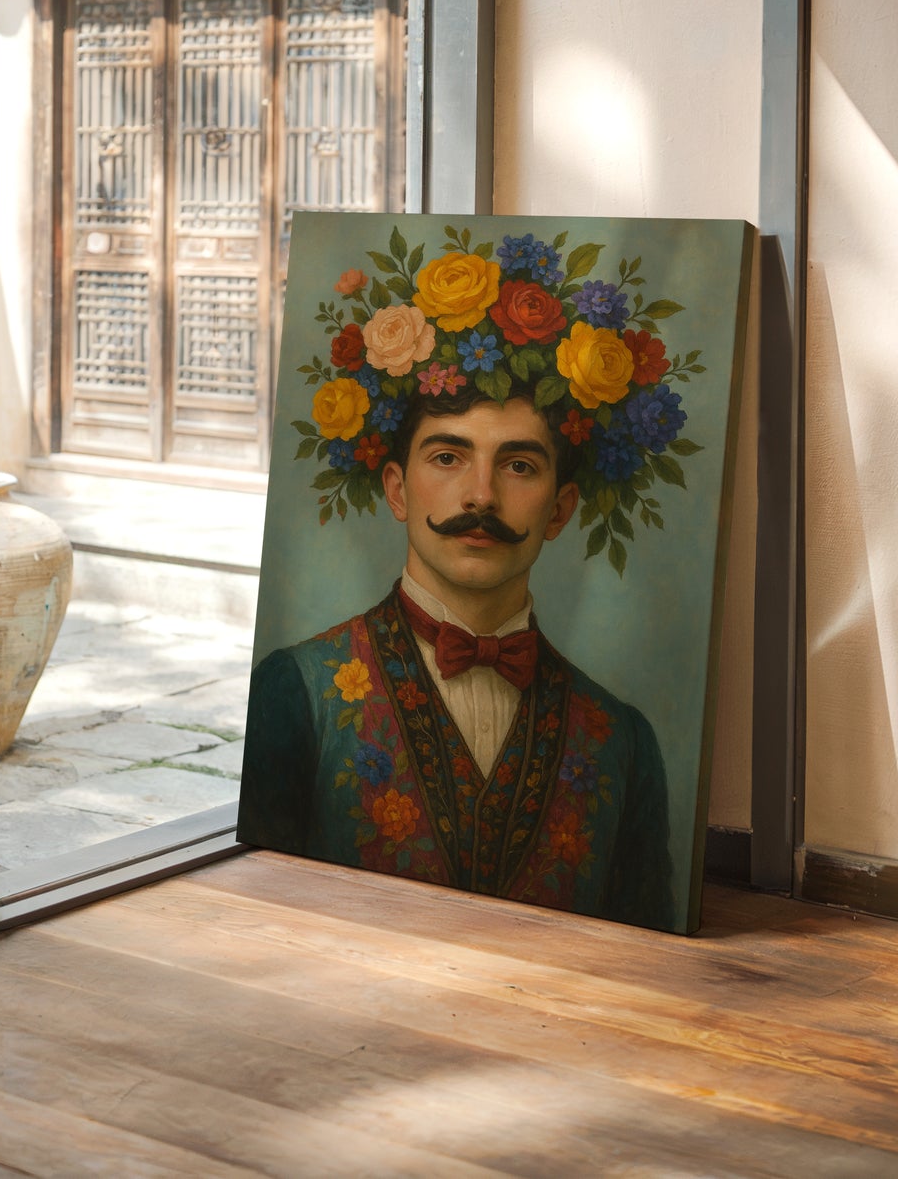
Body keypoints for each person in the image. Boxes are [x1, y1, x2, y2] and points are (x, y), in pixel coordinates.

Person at [239, 381, 674, 930]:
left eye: (519, 466)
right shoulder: (297, 691)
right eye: (448, 458)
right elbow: (259, 919)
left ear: (560, 510)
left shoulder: (623, 740)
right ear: (397, 490)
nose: (481, 497)